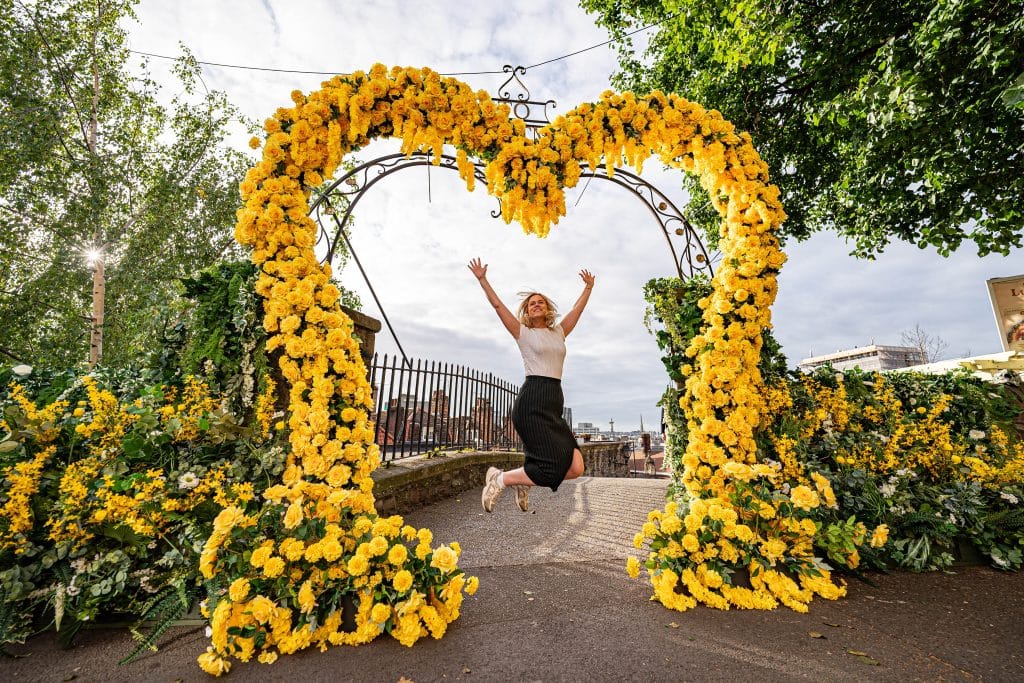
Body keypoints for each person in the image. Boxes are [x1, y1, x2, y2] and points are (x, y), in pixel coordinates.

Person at [468, 257, 595, 513]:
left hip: (553, 404)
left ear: (548, 309)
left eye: (541, 302)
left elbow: (577, 311)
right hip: (532, 402)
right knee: (550, 466)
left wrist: (588, 288)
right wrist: (483, 279)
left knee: (576, 467)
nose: (536, 305)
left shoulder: (558, 332)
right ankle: (500, 479)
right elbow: (497, 306)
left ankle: (522, 482)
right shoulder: (522, 333)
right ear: (526, 312)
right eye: (531, 304)